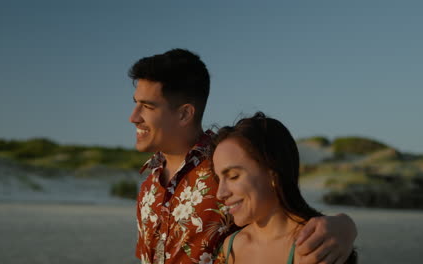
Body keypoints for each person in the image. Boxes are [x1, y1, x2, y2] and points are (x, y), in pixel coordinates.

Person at [128, 48, 357, 264]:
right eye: (135, 104)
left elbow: (283, 216)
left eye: (147, 106)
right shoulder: (149, 186)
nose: (133, 117)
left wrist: (344, 226)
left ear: (185, 113)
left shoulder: (226, 163)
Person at [212, 112, 357, 264]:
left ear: (273, 174)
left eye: (233, 176)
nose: (220, 194)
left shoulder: (316, 245)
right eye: (219, 178)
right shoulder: (231, 247)